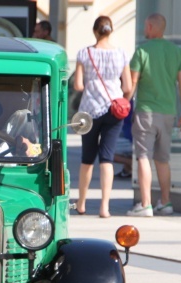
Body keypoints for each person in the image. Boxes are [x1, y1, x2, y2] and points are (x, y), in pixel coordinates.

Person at [126, 13, 181, 217]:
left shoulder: (142, 51)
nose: (144, 29)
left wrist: (123, 100)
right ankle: (165, 202)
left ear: (151, 27)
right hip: (168, 112)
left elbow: (133, 82)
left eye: (146, 25)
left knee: (143, 156)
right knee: (162, 159)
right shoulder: (176, 52)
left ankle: (145, 204)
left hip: (146, 111)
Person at [73, 16, 132, 218]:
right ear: (110, 31)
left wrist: (92, 87)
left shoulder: (85, 53)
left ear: (95, 31)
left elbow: (78, 85)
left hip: (90, 110)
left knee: (87, 158)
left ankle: (81, 203)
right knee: (107, 157)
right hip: (114, 110)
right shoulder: (121, 54)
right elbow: (128, 87)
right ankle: (104, 207)